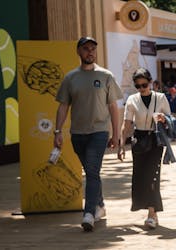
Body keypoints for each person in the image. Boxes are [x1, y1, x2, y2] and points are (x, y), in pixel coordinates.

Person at [54, 37, 122, 232]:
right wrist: (57, 131)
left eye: (93, 49)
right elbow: (63, 106)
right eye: (86, 49)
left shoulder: (106, 75)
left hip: (99, 132)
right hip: (77, 134)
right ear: (79, 51)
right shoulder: (70, 78)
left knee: (91, 172)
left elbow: (113, 107)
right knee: (92, 173)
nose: (90, 52)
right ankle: (100, 204)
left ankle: (89, 213)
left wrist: (115, 134)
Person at [118, 68, 171, 229]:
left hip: (155, 140)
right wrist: (121, 145)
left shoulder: (160, 98)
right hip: (139, 140)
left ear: (151, 82)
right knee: (140, 177)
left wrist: (163, 119)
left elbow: (170, 118)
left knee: (153, 176)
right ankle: (149, 210)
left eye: (145, 84)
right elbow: (126, 124)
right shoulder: (132, 100)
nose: (142, 88)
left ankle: (152, 214)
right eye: (138, 86)